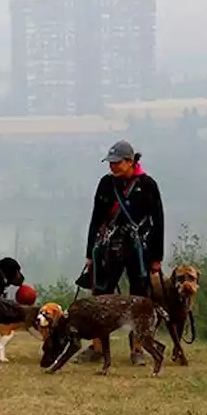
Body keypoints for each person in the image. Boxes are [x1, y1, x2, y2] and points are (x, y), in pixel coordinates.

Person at [77, 139, 165, 361]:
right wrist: (90, 253)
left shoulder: (148, 185)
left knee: (140, 298)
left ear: (130, 161)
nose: (112, 166)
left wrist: (156, 257)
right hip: (109, 248)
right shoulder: (106, 184)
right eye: (111, 162)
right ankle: (97, 347)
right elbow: (96, 219)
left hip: (139, 251)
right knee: (100, 296)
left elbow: (158, 221)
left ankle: (138, 348)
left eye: (117, 162)